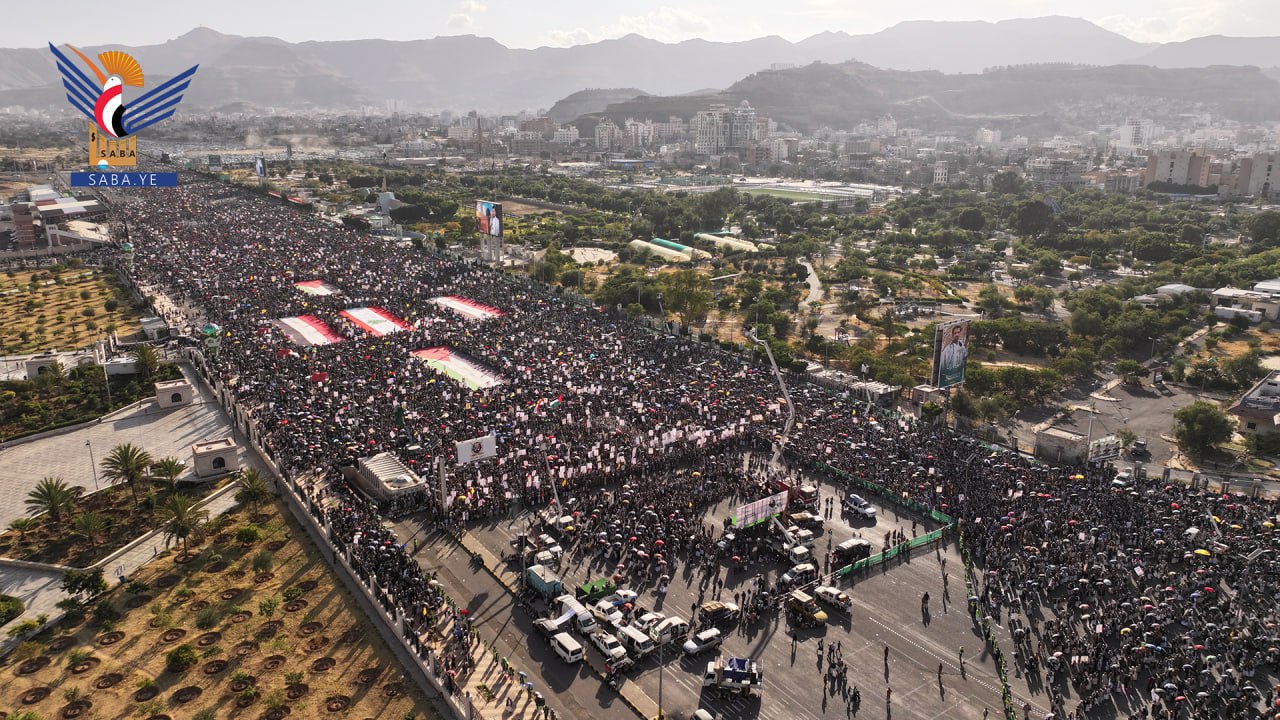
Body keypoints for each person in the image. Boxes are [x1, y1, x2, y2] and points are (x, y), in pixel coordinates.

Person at [937, 322, 969, 386]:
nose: (957, 334)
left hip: (957, 374)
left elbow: (964, 357)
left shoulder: (962, 346)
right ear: (952, 334)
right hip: (947, 376)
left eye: (958, 332)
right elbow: (942, 365)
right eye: (955, 333)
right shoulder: (947, 349)